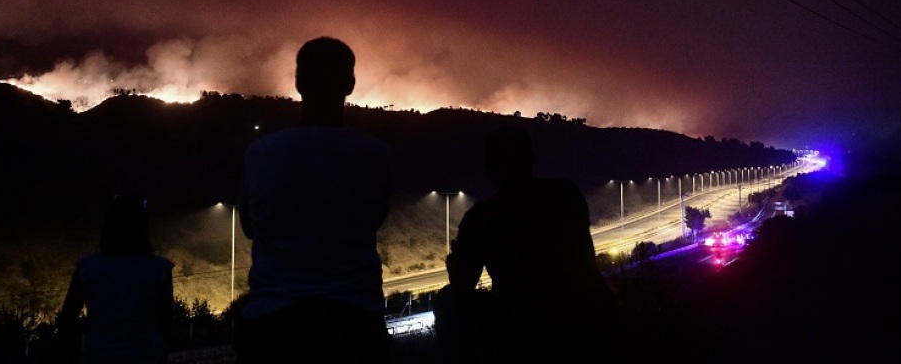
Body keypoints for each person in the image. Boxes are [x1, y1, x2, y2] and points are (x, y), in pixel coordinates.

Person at [234, 36, 392, 363]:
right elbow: (376, 220)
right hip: (354, 322)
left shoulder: (261, 153)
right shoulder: (374, 155)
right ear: (350, 84)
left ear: (298, 83)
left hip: (273, 323)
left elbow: (249, 227)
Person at [436, 126, 621, 363]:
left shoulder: (482, 218)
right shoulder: (566, 194)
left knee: (447, 302)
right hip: (593, 314)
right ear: (531, 158)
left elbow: (463, 285)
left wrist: (454, 265)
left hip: (527, 329)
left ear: (489, 166)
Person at [56, 195, 174, 364]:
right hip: (147, 356)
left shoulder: (87, 268)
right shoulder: (159, 269)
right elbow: (166, 323)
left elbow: (67, 320)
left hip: (98, 356)